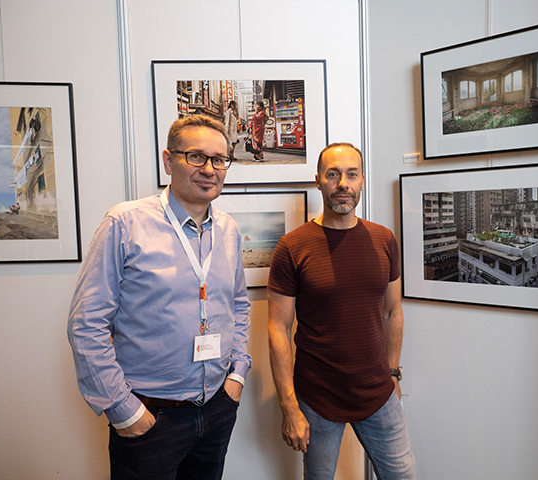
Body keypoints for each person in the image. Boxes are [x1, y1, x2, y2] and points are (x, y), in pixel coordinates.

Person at [68, 114, 252, 480]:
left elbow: (238, 305)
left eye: (219, 159)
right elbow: (86, 325)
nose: (209, 169)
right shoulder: (125, 223)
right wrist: (125, 411)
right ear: (169, 161)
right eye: (195, 157)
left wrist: (238, 376)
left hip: (215, 407)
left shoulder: (228, 229)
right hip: (152, 417)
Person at [267, 142, 416, 479]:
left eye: (351, 174)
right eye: (333, 175)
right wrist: (289, 405)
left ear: (363, 180)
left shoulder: (384, 240)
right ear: (318, 180)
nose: (343, 184)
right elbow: (278, 328)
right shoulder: (292, 247)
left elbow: (393, 312)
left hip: (379, 393)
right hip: (317, 398)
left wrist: (393, 374)